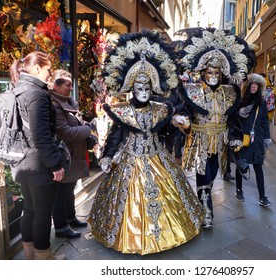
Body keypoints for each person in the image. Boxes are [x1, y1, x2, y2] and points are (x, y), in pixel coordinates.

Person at [87, 31, 205, 255]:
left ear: (153, 89)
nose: (143, 92)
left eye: (147, 89)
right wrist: (107, 156)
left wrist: (179, 122)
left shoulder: (160, 109)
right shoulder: (123, 111)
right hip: (131, 160)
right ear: (132, 88)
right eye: (139, 88)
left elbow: (167, 130)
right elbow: (115, 137)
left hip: (157, 157)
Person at [173, 28, 256, 228]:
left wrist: (236, 137)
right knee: (203, 176)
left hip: (219, 142)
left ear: (222, 74)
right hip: (200, 142)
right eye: (210, 72)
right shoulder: (192, 92)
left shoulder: (229, 93)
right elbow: (184, 110)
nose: (213, 76)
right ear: (202, 72)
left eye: (217, 73)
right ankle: (206, 214)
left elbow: (232, 119)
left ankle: (202, 204)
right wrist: (181, 119)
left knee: (211, 176)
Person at [9, 51, 66, 260]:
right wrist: (55, 164)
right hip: (38, 164)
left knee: (30, 210)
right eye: (48, 69)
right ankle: (44, 259)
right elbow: (40, 134)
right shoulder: (36, 93)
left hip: (21, 162)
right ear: (36, 68)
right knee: (42, 213)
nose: (50, 74)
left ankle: (29, 255)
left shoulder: (17, 89)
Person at [48, 69, 93, 239]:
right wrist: (87, 130)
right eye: (67, 85)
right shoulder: (55, 104)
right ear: (56, 86)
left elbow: (76, 123)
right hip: (64, 155)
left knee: (69, 188)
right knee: (61, 192)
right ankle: (61, 226)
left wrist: (84, 125)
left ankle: (70, 217)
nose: (70, 88)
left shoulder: (68, 102)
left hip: (73, 154)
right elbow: (64, 131)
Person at [229, 73, 272, 206]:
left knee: (258, 167)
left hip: (257, 139)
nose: (253, 87)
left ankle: (262, 196)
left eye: (256, 85)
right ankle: (239, 190)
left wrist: (267, 137)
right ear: (247, 87)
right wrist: (240, 113)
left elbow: (265, 121)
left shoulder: (262, 102)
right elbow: (233, 119)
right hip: (244, 137)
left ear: (259, 87)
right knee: (241, 165)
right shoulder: (240, 101)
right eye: (251, 85)